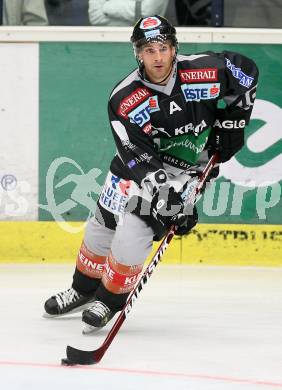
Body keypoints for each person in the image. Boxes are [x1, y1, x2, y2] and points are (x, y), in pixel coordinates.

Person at [44, 15, 259, 333]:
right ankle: (83, 290)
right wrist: (165, 195)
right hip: (138, 167)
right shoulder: (125, 98)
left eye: (163, 48)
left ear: (174, 49)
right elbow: (135, 153)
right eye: (148, 50)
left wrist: (235, 121)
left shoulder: (208, 70)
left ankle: (108, 300)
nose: (157, 57)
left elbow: (247, 73)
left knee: (134, 232)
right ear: (137, 53)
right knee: (101, 227)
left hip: (186, 170)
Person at [88, 0, 169, 26]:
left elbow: (148, 12)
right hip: (109, 42)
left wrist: (107, 6)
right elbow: (95, 17)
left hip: (148, 42)